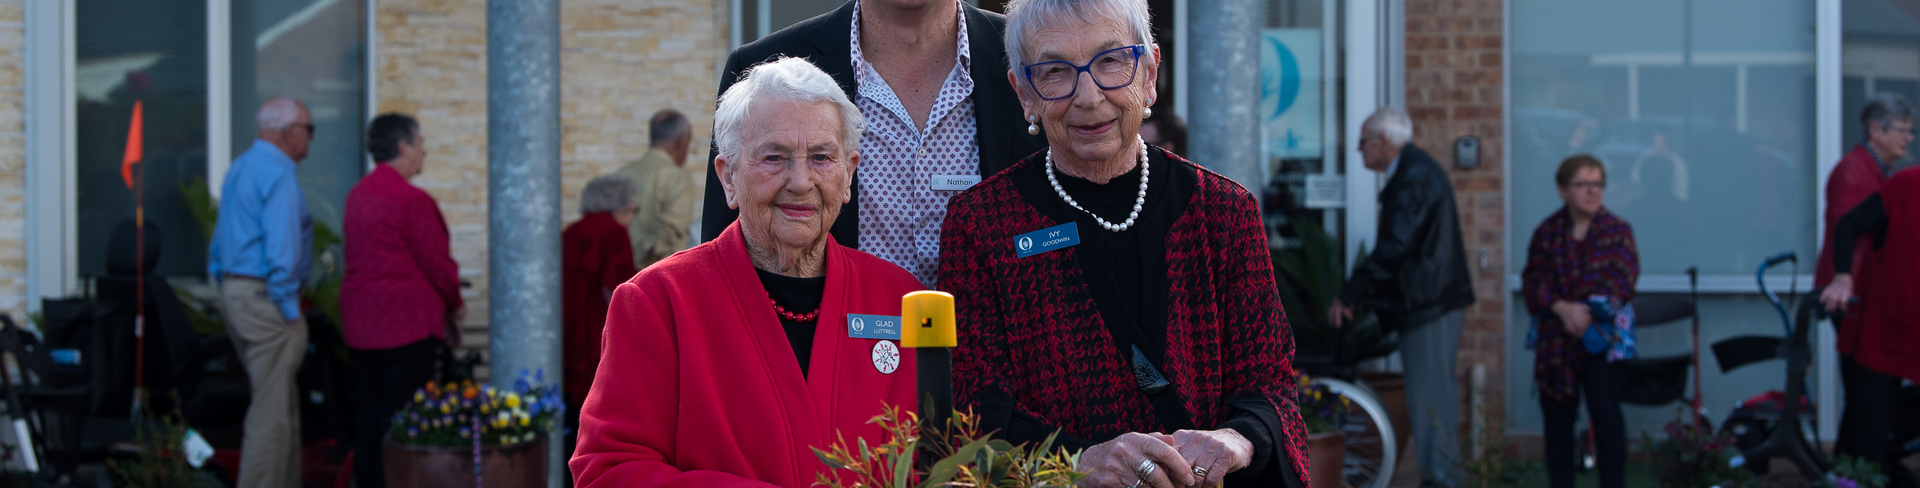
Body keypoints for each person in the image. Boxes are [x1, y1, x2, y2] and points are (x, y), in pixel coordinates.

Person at [940, 1, 1307, 487]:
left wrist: (1237, 441)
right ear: (1023, 94)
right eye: (1054, 72)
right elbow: (973, 404)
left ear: (1150, 73)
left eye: (1111, 62)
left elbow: (1271, 383)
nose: (1089, 96)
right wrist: (1075, 464)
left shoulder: (1222, 210)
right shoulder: (982, 225)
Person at [571, 57, 923, 487]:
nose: (800, 181)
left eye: (821, 157)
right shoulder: (658, 301)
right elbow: (609, 468)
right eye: (774, 157)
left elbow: (940, 456)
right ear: (729, 177)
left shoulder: (902, 299)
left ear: (849, 175)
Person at [699, 0, 1047, 286]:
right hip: (824, 360)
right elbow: (722, 263)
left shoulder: (1038, 55)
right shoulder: (764, 68)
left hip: (1005, 362)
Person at [1328, 106, 1475, 488]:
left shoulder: (1414, 176)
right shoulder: (1415, 171)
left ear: (1384, 142)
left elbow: (1396, 245)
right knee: (1431, 394)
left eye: (1363, 143)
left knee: (1431, 396)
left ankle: (1442, 480)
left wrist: (1351, 293)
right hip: (1432, 300)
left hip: (1430, 304)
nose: (1359, 152)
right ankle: (1440, 476)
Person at [339, 113, 465, 488]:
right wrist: (454, 303)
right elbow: (437, 262)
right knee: (406, 419)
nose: (423, 152)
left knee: (369, 416)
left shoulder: (357, 194)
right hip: (405, 325)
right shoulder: (411, 199)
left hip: (361, 326)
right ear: (403, 147)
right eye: (420, 143)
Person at [207, 97, 314, 488]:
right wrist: (288, 308)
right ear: (288, 133)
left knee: (279, 403)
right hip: (266, 299)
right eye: (308, 129)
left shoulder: (241, 167)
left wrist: (223, 282)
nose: (310, 139)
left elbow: (219, 243)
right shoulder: (278, 174)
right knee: (271, 413)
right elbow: (280, 249)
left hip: (238, 293)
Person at [1522, 155, 1638, 488]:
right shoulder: (1546, 233)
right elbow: (1534, 282)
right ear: (1562, 189)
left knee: (1607, 420)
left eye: (1598, 184)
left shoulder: (1618, 231)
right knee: (1558, 425)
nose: (1592, 191)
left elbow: (1623, 282)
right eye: (1583, 185)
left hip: (1600, 340)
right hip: (1556, 343)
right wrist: (1561, 308)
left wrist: (1584, 312)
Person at [1816, 93, 1910, 485]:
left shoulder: (1880, 172)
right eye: (1902, 131)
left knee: (1864, 398)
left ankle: (1852, 470)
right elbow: (1849, 230)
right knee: (1868, 395)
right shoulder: (1856, 172)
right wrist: (1845, 281)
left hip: (1864, 300)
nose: (1909, 139)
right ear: (1876, 130)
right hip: (1855, 301)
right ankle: (1859, 471)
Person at [561, 174, 639, 414]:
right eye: (633, 210)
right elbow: (619, 290)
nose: (633, 217)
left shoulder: (571, 232)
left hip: (566, 325)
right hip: (596, 327)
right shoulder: (613, 233)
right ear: (620, 207)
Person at [617, 109, 700, 269]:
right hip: (654, 278)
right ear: (682, 141)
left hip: (618, 276)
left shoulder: (622, 173)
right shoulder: (677, 177)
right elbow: (670, 236)